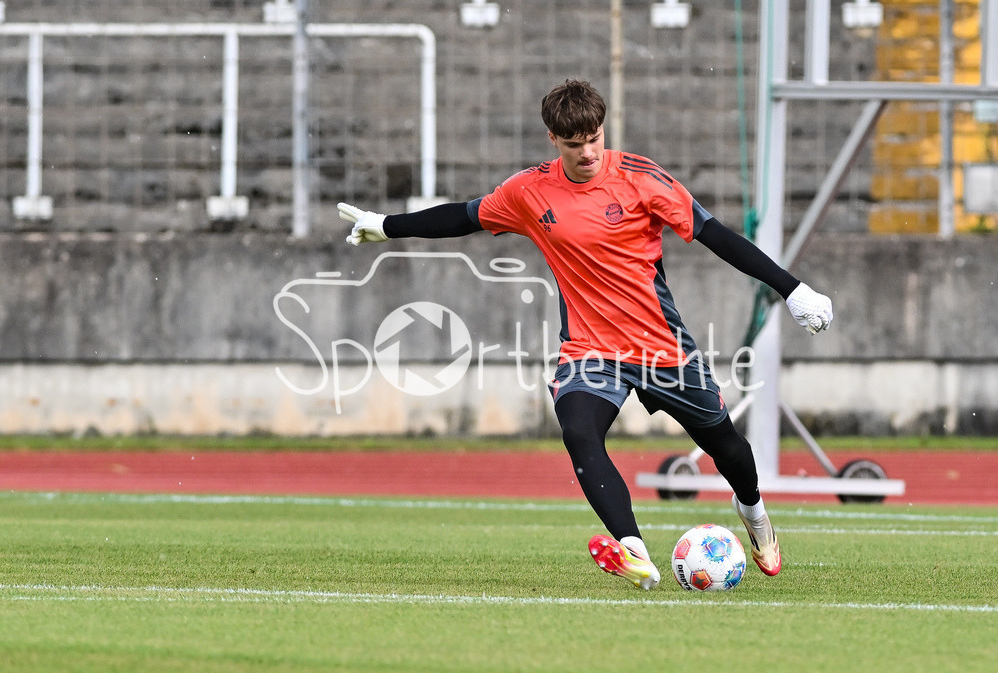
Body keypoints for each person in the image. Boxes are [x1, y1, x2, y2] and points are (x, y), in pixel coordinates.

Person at [337, 79, 833, 590]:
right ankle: (634, 551)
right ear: (553, 139)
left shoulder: (642, 178)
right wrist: (385, 225)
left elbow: (718, 237)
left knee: (726, 447)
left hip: (662, 347)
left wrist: (792, 291)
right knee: (578, 430)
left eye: (594, 138)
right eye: (575, 144)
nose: (588, 152)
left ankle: (752, 512)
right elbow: (464, 217)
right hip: (590, 350)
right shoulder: (529, 191)